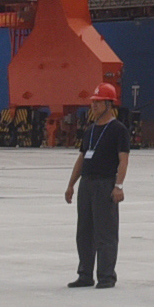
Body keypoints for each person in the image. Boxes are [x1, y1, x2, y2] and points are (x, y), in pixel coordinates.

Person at [64, 85, 131, 288]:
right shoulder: (91, 130)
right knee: (84, 232)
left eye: (98, 101)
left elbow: (123, 160)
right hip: (87, 184)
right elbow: (82, 158)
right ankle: (85, 275)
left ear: (109, 104)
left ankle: (106, 276)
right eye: (92, 101)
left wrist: (118, 186)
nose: (93, 105)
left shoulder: (119, 130)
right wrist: (71, 185)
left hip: (105, 184)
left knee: (105, 232)